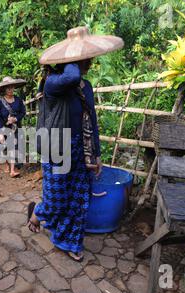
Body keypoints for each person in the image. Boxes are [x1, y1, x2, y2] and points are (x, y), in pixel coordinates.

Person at [27, 26, 123, 262]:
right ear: (70, 60)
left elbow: (92, 120)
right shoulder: (53, 83)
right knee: (57, 196)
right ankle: (39, 212)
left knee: (79, 198)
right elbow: (71, 76)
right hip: (56, 146)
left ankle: (70, 241)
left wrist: (97, 155)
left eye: (87, 55)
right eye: (84, 57)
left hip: (80, 147)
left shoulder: (85, 87)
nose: (88, 60)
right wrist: (73, 54)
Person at [0, 76, 27, 178]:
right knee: (4, 148)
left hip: (15, 128)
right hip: (3, 128)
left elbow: (23, 112)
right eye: (8, 88)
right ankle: (8, 165)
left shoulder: (18, 100)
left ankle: (12, 170)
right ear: (4, 89)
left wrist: (15, 119)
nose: (10, 89)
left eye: (12, 87)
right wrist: (0, 133)